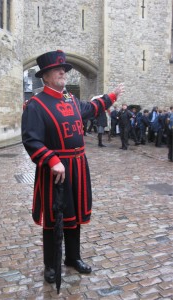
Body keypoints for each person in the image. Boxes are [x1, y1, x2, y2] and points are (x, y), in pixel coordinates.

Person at [21, 50, 124, 284]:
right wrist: (52, 160)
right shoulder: (35, 105)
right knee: (53, 219)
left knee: (74, 215)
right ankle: (50, 264)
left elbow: (92, 108)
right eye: (57, 70)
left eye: (64, 70)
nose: (62, 73)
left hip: (78, 167)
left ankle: (73, 257)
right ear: (45, 76)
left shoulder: (70, 99)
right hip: (54, 171)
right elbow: (31, 140)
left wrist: (112, 96)